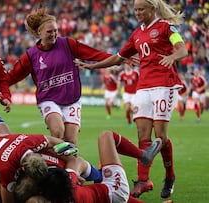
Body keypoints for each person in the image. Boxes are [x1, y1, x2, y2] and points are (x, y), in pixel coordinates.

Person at [75, 0, 188, 198]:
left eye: (141, 9)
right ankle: (144, 180)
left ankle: (170, 175)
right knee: (143, 136)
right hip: (143, 87)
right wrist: (93, 66)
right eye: (135, 9)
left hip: (165, 84)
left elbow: (182, 48)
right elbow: (118, 57)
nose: (137, 12)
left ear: (152, 9)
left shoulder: (165, 27)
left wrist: (173, 56)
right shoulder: (137, 34)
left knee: (160, 137)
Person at [5, 7, 113, 145]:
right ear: (39, 32)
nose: (54, 34)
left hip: (72, 99)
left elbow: (94, 54)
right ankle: (50, 163)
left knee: (71, 142)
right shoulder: (31, 55)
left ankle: (67, 166)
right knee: (57, 132)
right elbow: (12, 77)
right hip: (48, 99)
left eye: (56, 30)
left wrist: (119, 58)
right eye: (49, 31)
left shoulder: (68, 44)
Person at [13, 130, 162, 203]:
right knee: (106, 136)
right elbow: (77, 162)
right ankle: (144, 156)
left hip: (106, 195)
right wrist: (73, 171)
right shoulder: (65, 184)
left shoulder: (56, 195)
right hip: (114, 189)